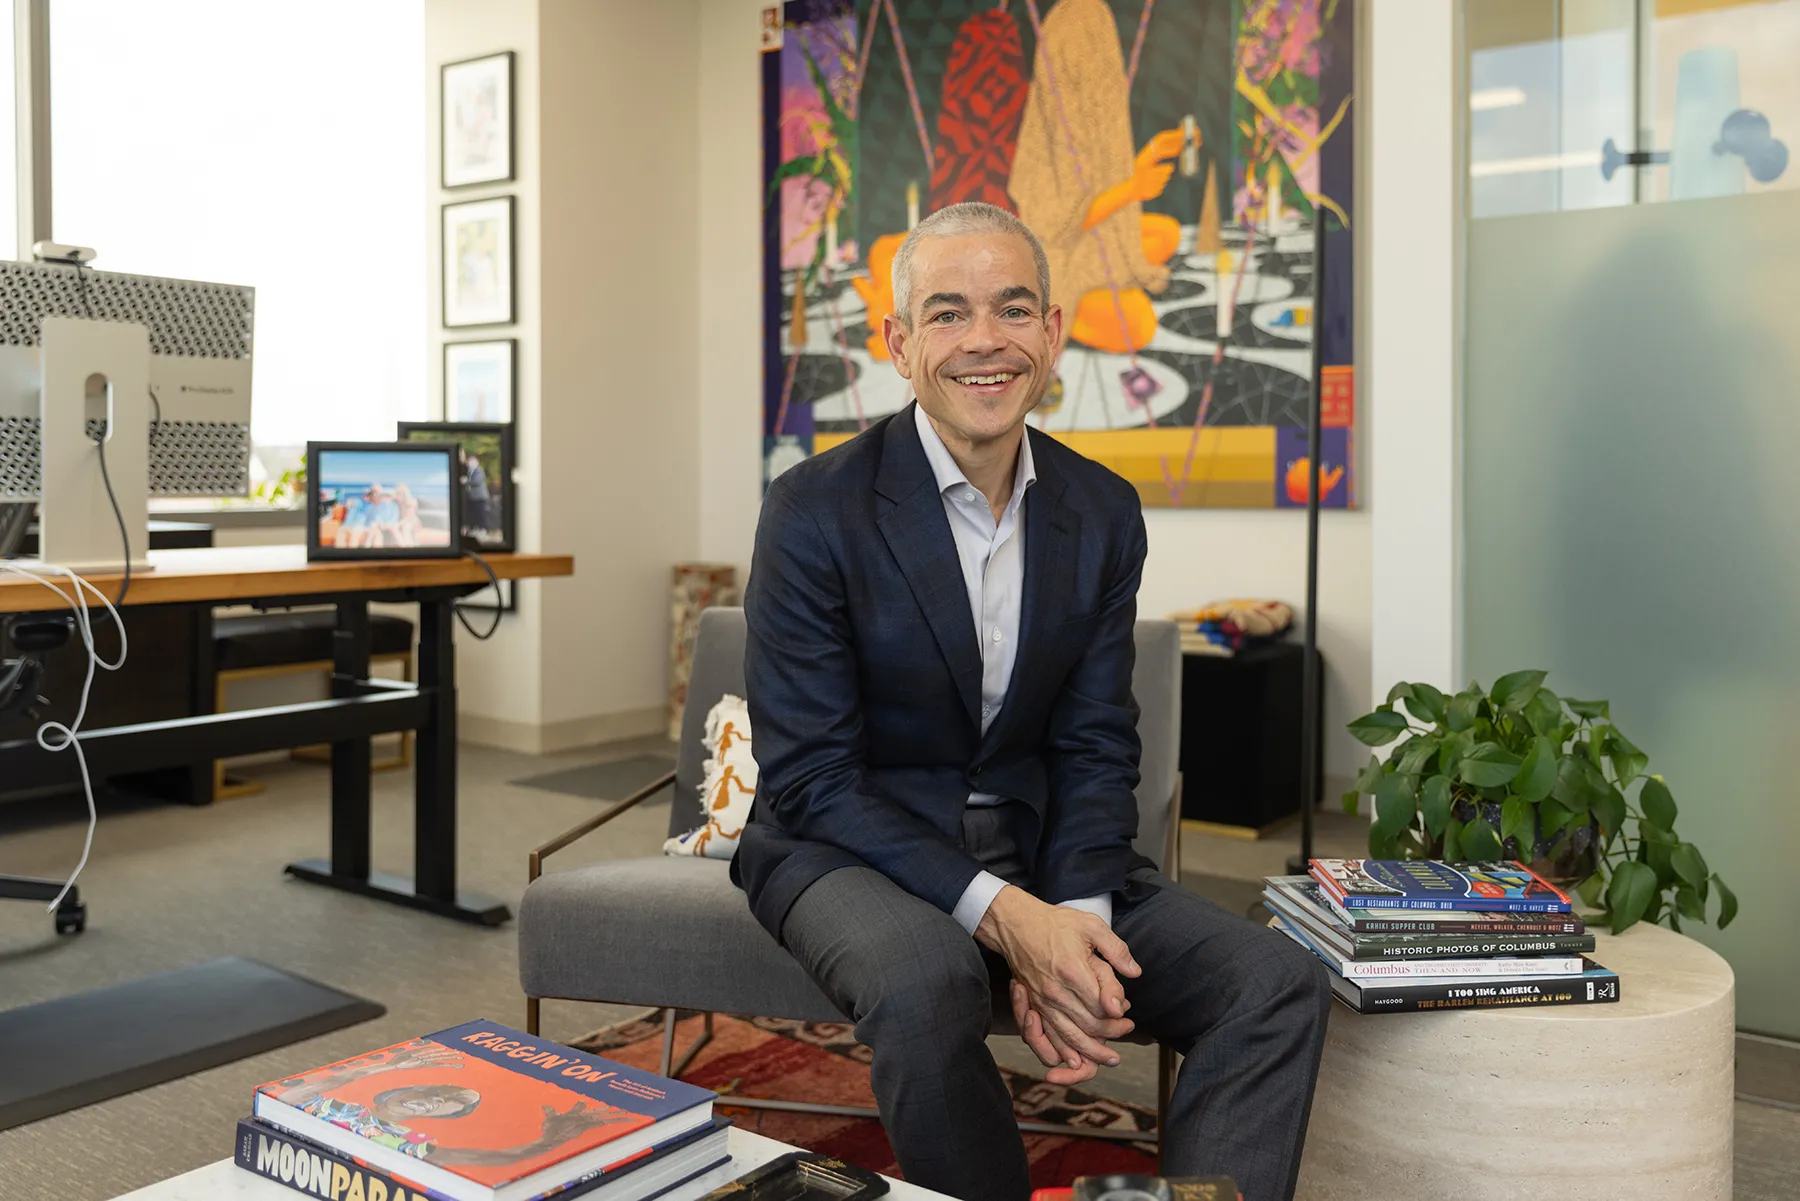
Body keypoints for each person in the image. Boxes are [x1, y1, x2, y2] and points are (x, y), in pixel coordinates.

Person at [735, 201, 1329, 1201]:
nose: (984, 340)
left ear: (1054, 334)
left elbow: (1097, 739)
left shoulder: (1100, 511)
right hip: (842, 847)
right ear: (899, 343)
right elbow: (815, 778)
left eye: (1014, 309)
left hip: (1038, 842)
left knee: (1273, 982)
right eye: (947, 312)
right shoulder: (813, 510)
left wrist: (1077, 923)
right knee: (928, 985)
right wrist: (1013, 921)